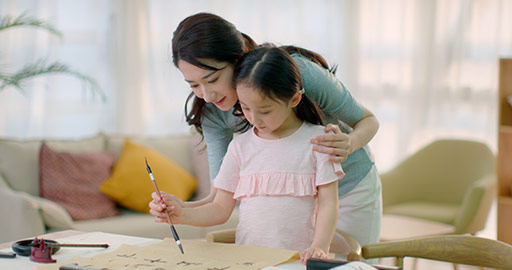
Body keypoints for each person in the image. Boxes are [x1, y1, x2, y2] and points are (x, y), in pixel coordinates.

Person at [149, 12, 382, 249]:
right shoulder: (213, 113)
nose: (207, 96)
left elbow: (368, 120)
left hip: (348, 190)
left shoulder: (295, 73)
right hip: (291, 209)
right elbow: (220, 196)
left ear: (237, 60)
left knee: (351, 262)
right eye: (194, 85)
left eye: (213, 79)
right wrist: (178, 208)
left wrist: (350, 143)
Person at [157, 45, 342, 263]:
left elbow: (329, 203)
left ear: (293, 99)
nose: (254, 119)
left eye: (264, 111)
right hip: (248, 261)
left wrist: (319, 246)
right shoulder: (240, 146)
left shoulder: (319, 141)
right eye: (245, 108)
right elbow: (219, 208)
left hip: (296, 261)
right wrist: (182, 214)